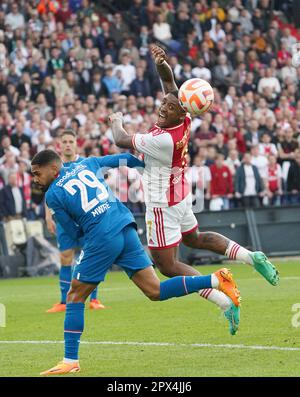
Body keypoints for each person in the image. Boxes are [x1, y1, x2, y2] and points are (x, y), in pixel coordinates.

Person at [109, 44, 279, 335]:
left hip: (162, 205)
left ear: (181, 113)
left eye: (169, 108)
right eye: (164, 104)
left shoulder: (161, 141)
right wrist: (162, 63)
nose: (163, 108)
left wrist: (115, 121)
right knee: (196, 238)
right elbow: (169, 84)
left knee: (168, 267)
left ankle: (221, 295)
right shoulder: (185, 116)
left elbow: (121, 139)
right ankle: (252, 257)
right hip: (181, 195)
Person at [31, 149, 241, 375]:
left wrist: (89, 240)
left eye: (37, 173)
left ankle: (70, 360)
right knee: (155, 290)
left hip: (102, 237)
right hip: (125, 225)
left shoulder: (52, 194)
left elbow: (71, 233)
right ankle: (216, 279)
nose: (35, 178)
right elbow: (123, 158)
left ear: (54, 168)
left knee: (74, 296)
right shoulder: (87, 163)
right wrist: (146, 170)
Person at [44, 129, 103, 312]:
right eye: (65, 141)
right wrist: (48, 215)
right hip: (64, 221)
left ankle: (94, 299)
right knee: (65, 258)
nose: (68, 144)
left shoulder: (84, 164)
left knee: (92, 257)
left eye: (71, 141)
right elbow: (49, 192)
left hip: (86, 220)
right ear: (59, 145)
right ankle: (63, 301)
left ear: (76, 143)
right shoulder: (54, 167)